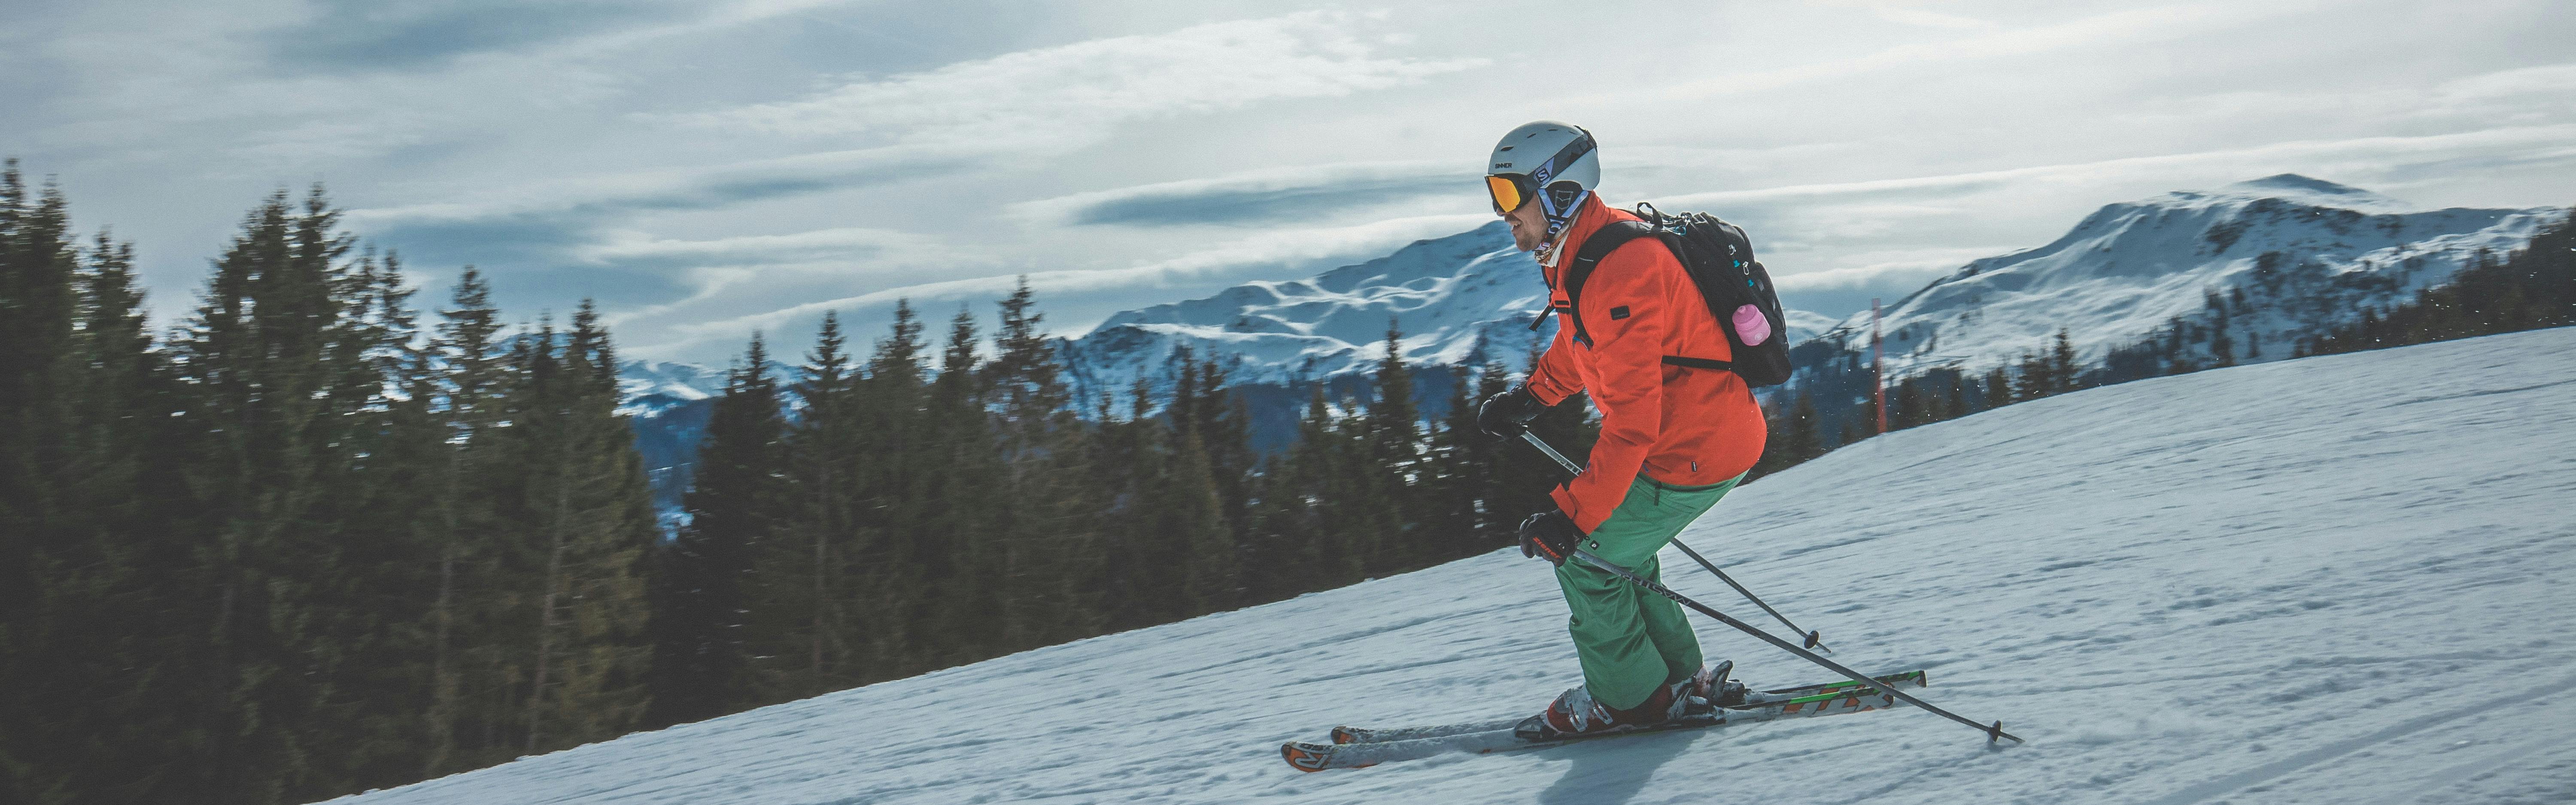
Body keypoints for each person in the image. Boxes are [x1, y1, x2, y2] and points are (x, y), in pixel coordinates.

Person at [1473, 121, 1769, 739]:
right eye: (1495, 195)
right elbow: (1580, 345)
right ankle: (1680, 679)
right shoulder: (1585, 253)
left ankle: (1632, 700)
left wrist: (1572, 518)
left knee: (1586, 559)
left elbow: (1634, 425)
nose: (1504, 215)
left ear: (1557, 193)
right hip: (1705, 437)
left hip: (1693, 450)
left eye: (1510, 196)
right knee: (1622, 554)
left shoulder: (1618, 270)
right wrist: (1530, 399)